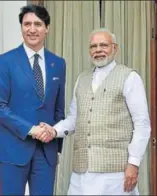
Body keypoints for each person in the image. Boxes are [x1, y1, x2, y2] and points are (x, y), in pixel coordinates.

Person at [38, 28, 151, 195]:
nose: (98, 50)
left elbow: (142, 124)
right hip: (81, 174)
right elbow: (74, 118)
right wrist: (54, 131)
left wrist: (133, 163)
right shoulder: (81, 79)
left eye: (103, 45)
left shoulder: (130, 77)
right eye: (93, 46)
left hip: (115, 174)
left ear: (115, 48)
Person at [0, 5, 66, 196]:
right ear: (21, 27)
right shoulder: (5, 61)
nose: (32, 29)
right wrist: (31, 129)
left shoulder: (58, 63)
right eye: (27, 24)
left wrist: (54, 134)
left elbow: (59, 108)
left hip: (46, 151)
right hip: (13, 149)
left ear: (47, 28)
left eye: (38, 24)